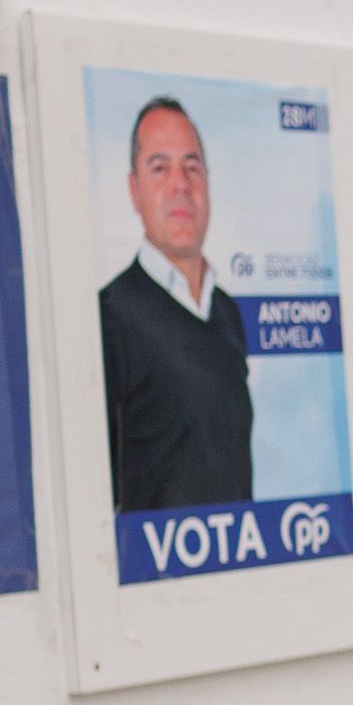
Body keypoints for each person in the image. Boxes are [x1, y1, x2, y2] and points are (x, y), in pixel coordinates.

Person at [99, 96, 253, 512]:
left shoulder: (227, 313)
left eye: (192, 166)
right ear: (134, 190)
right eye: (160, 168)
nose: (180, 184)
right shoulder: (109, 317)